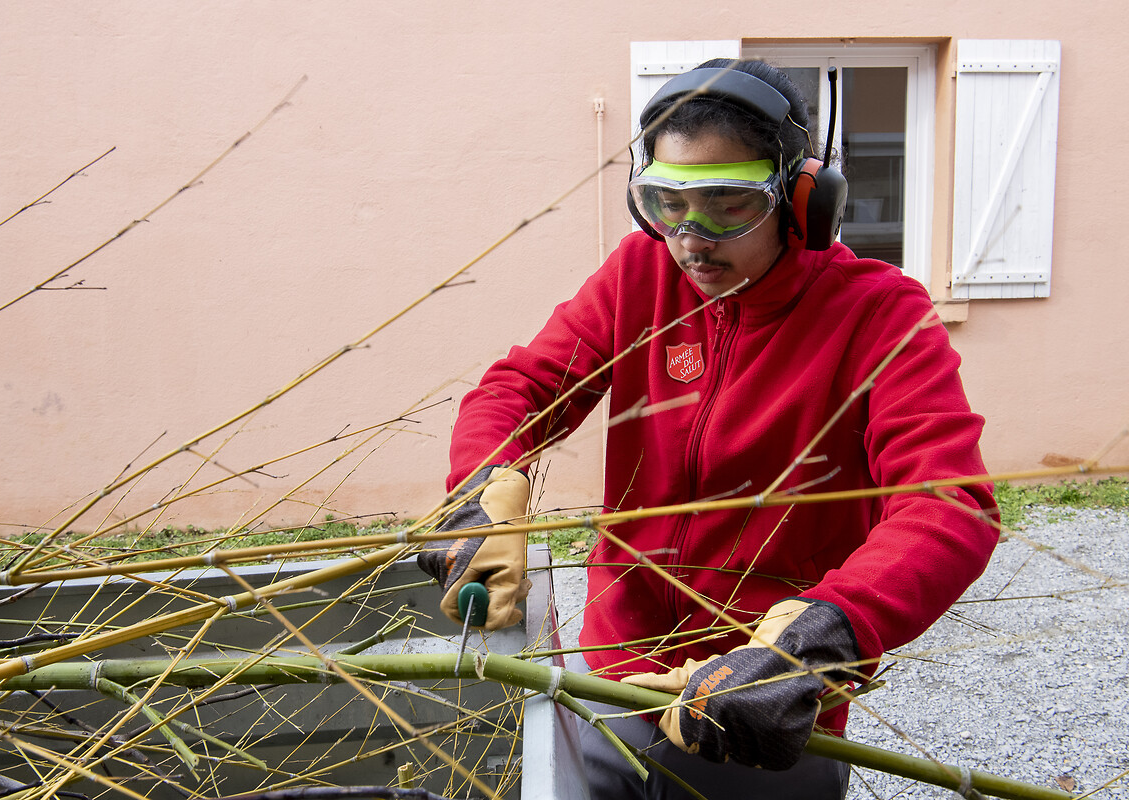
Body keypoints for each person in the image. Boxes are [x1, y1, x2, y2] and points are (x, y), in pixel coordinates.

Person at [418, 58, 1000, 799]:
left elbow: (948, 506)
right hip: (617, 663)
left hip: (756, 694)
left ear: (800, 198)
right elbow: (522, 388)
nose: (691, 237)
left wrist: (819, 640)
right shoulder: (641, 273)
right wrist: (483, 484)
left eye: (728, 203)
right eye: (667, 200)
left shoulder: (880, 315)